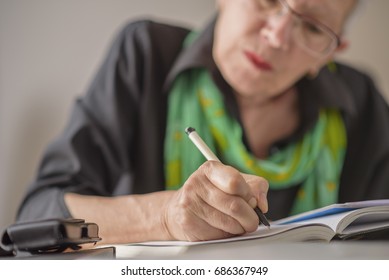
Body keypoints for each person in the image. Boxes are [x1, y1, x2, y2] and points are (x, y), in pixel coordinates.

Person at [16, 0, 389, 244]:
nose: (277, 37)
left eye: (311, 28)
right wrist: (163, 218)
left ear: (331, 52)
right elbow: (38, 215)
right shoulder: (145, 55)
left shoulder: (363, 105)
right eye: (268, 1)